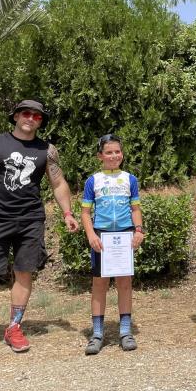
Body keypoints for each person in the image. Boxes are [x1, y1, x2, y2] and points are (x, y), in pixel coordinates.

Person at [0, 99, 80, 363]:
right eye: (26, 113)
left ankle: (14, 328)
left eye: (37, 116)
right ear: (15, 116)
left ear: (41, 122)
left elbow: (58, 183)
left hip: (31, 220)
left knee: (24, 273)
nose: (31, 118)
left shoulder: (47, 150)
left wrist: (68, 213)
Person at [80, 134, 145, 355]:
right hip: (102, 236)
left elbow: (135, 209)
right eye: (108, 152)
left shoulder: (130, 179)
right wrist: (91, 235)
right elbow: (85, 212)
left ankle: (125, 331)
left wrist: (138, 230)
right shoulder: (93, 180)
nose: (114, 156)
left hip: (125, 235)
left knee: (124, 283)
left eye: (117, 151)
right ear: (100, 156)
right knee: (99, 284)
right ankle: (97, 334)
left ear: (122, 154)